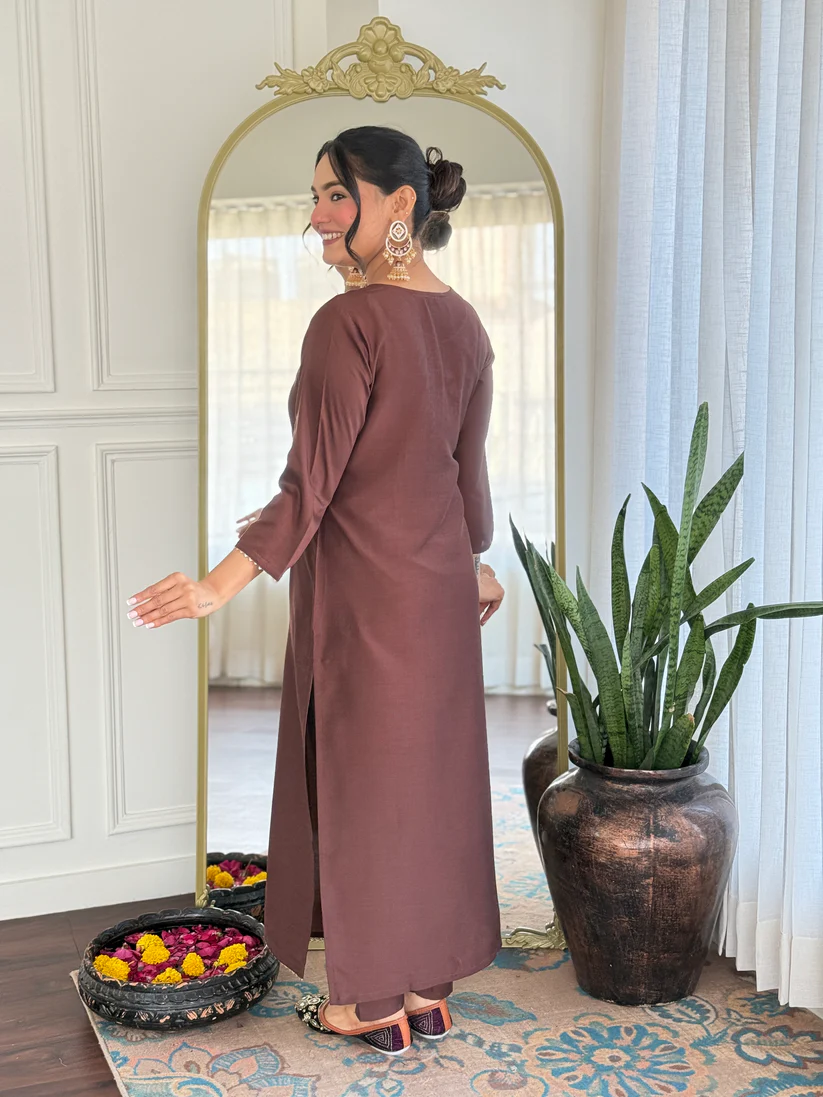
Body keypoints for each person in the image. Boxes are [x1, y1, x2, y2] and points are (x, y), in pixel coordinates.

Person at [124, 125, 506, 1057]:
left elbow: (312, 482)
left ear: (400, 205)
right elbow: (469, 485)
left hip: (367, 599)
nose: (318, 218)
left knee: (364, 789)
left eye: (338, 196)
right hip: (440, 600)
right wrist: (469, 562)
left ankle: (367, 1000)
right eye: (317, 198)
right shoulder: (463, 321)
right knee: (426, 787)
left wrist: (219, 585)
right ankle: (423, 989)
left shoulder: (348, 321)